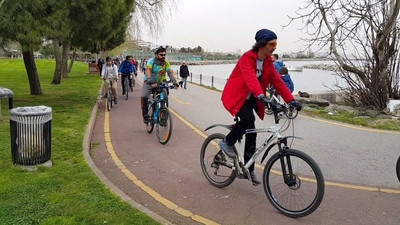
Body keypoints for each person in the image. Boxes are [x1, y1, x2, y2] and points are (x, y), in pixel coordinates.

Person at [219, 29, 302, 185]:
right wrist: (261, 96)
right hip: (237, 96)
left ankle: (249, 170)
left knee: (252, 133)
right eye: (272, 44)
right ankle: (226, 142)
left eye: (276, 44)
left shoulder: (268, 62)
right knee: (248, 119)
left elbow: (277, 81)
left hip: (252, 98)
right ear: (262, 44)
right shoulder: (246, 58)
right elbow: (250, 78)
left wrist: (291, 100)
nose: (274, 47)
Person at [141, 46, 179, 124]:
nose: (163, 56)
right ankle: (145, 116)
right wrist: (149, 79)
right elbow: (148, 70)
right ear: (156, 55)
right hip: (149, 82)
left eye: (164, 55)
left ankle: (163, 117)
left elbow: (169, 72)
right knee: (144, 97)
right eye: (161, 55)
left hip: (160, 83)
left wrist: (174, 82)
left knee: (164, 98)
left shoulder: (166, 62)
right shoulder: (151, 61)